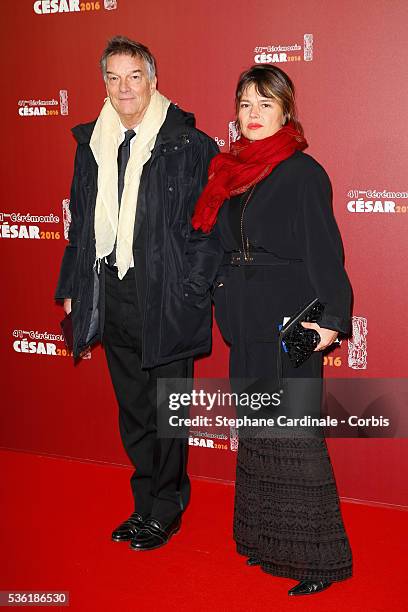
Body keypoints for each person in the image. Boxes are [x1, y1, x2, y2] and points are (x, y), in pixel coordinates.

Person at [186, 64, 353, 595]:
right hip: (245, 320)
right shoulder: (232, 173)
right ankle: (266, 542)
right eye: (244, 104)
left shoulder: (304, 173)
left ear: (285, 110)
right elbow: (217, 243)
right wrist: (214, 287)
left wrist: (330, 321)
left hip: (291, 322)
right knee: (258, 437)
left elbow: (328, 255)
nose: (253, 115)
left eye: (264, 104)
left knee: (295, 439)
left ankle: (317, 562)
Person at [55, 36, 218, 551]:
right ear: (104, 83)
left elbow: (208, 228)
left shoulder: (190, 144)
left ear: (153, 79)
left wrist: (191, 290)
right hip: (113, 291)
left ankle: (167, 508)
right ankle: (144, 501)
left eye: (134, 76)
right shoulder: (92, 144)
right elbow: (82, 224)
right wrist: (74, 287)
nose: (124, 87)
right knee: (134, 409)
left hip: (167, 298)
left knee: (167, 409)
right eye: (113, 77)